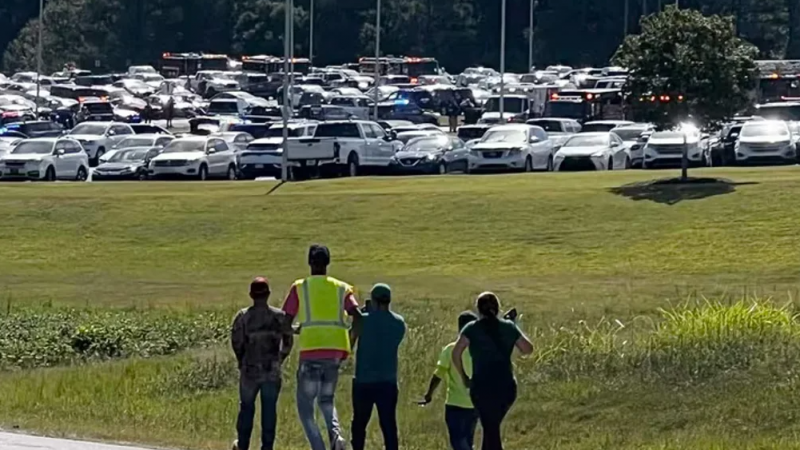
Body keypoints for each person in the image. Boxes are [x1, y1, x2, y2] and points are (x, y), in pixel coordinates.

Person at [283, 245, 362, 450]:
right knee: (327, 400)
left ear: (310, 262)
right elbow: (358, 316)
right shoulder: (342, 288)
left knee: (306, 409)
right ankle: (336, 437)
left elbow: (284, 321)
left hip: (310, 351)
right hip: (335, 351)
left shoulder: (300, 287)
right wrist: (350, 342)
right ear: (328, 263)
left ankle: (319, 447)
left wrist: (297, 330)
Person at [452, 292, 533, 450]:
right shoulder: (508, 327)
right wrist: (512, 325)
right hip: (506, 387)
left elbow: (456, 353)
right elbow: (527, 349)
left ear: (479, 310)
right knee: (491, 428)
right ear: (497, 308)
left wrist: (464, 377)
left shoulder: (472, 329)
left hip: (481, 388)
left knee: (490, 428)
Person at [230, 277, 294, 450]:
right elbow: (288, 341)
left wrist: (241, 360)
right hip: (272, 371)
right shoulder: (280, 316)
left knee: (246, 409)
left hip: (249, 371)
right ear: (268, 294)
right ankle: (267, 447)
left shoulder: (243, 317)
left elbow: (236, 342)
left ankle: (242, 445)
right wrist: (280, 358)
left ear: (251, 294)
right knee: (269, 411)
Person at [351, 283, 406, 450]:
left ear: (373, 300)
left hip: (364, 381)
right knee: (389, 424)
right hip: (388, 381)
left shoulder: (363, 320)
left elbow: (350, 339)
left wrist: (361, 314)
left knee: (359, 423)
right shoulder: (399, 323)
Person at [419, 311, 479, 450]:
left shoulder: (451, 349)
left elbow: (438, 375)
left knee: (457, 441)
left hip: (455, 404)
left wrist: (429, 394)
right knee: (467, 439)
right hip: (475, 404)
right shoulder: (480, 350)